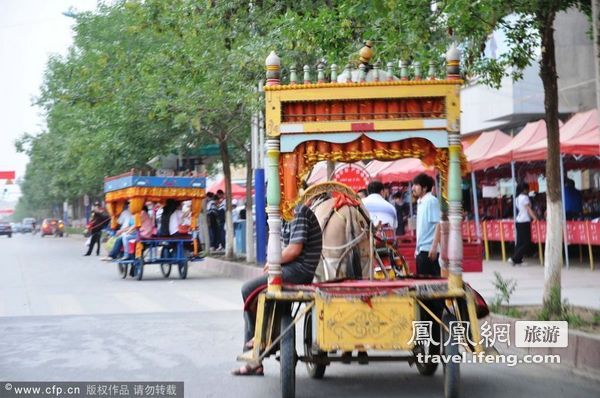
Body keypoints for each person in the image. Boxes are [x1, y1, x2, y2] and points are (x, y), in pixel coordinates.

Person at [232, 203, 323, 376]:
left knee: (247, 289)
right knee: (258, 292)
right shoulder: (287, 213)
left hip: (299, 270)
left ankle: (257, 341)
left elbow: (294, 250)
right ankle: (258, 347)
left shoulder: (299, 210)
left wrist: (274, 261)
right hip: (292, 268)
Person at [412, 173, 441, 276]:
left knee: (432, 284)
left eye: (416, 185)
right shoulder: (421, 202)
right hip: (421, 250)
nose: (413, 188)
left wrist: (434, 246)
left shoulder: (431, 201)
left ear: (424, 188)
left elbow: (438, 224)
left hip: (428, 250)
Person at [509, 182, 538, 266]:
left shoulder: (517, 198)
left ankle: (518, 260)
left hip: (519, 220)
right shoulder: (525, 198)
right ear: (525, 189)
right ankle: (514, 258)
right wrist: (535, 218)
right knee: (526, 242)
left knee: (520, 242)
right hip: (524, 221)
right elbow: (528, 209)